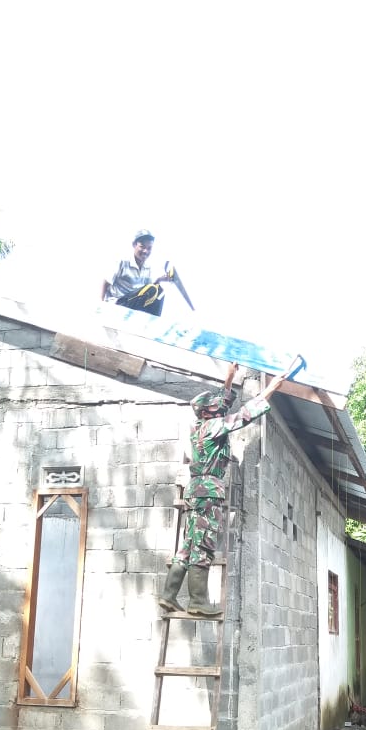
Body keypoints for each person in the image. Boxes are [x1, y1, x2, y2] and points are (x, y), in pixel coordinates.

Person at [159, 362, 290, 618]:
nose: (220, 405)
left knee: (189, 544)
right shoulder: (214, 426)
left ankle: (169, 595)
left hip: (197, 491)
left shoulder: (199, 426)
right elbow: (244, 415)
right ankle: (198, 601)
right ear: (210, 412)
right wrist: (271, 388)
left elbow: (223, 402)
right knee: (204, 545)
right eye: (216, 406)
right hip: (208, 492)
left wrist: (229, 378)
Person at [101, 229, 167, 316]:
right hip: (118, 303)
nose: (145, 251)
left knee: (159, 291)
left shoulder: (148, 267)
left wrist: (159, 280)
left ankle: (152, 320)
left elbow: (148, 291)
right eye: (142, 247)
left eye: (149, 248)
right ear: (134, 245)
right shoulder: (122, 261)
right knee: (152, 289)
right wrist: (100, 305)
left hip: (133, 305)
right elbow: (105, 282)